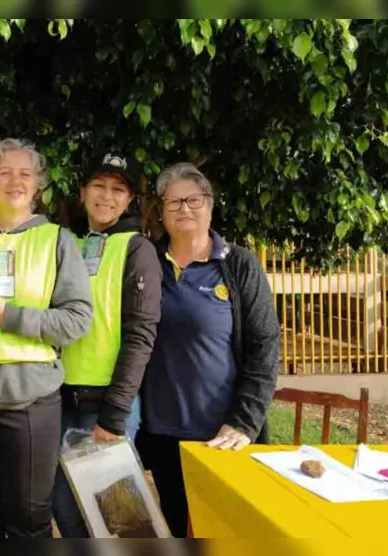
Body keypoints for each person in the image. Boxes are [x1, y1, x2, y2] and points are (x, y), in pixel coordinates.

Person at [0, 138, 93, 538]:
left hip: (30, 399)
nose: (15, 181)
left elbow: (78, 319)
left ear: (38, 185)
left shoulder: (57, 241)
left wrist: (9, 317)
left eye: (25, 174)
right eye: (4, 172)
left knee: (29, 519)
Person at [136, 162, 280, 537]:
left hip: (222, 434)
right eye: (174, 202)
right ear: (162, 212)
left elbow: (265, 345)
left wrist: (245, 421)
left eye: (194, 200)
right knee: (178, 524)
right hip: (164, 431)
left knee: (228, 532)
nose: (185, 208)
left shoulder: (238, 266)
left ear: (210, 206)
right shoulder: (146, 262)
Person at [51, 153, 162, 538]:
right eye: (99, 185)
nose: (106, 196)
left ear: (129, 200)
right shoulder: (68, 244)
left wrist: (114, 415)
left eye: (118, 189)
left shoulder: (137, 249)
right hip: (61, 400)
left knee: (118, 522)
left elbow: (141, 335)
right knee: (63, 507)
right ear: (83, 193)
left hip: (109, 406)